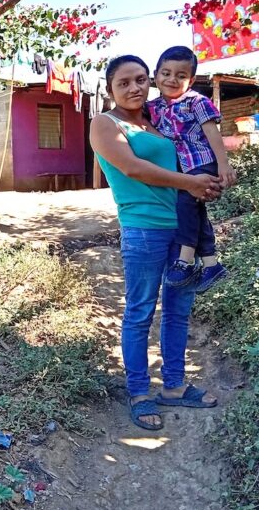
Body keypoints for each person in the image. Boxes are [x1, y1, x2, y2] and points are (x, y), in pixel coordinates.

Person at [89, 55, 221, 431]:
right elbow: (132, 168)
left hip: (183, 228)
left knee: (179, 310)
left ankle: (175, 386)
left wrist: (208, 182)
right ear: (110, 88)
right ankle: (139, 391)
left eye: (141, 80)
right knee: (140, 310)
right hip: (144, 228)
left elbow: (195, 151)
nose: (134, 88)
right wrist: (190, 184)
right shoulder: (104, 123)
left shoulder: (158, 120)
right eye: (124, 82)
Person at [148, 46, 236, 294]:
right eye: (166, 73)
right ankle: (211, 264)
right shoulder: (152, 107)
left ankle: (185, 259)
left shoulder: (197, 102)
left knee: (185, 202)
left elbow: (211, 132)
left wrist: (223, 164)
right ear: (156, 75)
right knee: (195, 211)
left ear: (192, 80)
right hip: (179, 168)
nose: (172, 79)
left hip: (201, 161)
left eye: (180, 75)